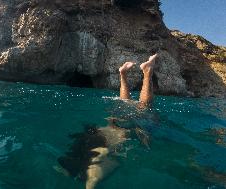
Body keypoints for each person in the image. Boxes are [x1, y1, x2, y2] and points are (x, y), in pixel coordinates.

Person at [57, 54, 158, 189]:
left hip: (117, 132)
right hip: (109, 128)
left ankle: (139, 73)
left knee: (139, 107)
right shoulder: (89, 169)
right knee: (133, 106)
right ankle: (132, 74)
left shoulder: (91, 171)